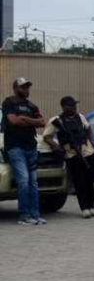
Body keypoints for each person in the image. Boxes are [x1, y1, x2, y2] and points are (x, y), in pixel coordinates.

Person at [43, 96, 94, 219]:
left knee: (90, 181)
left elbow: (88, 130)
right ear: (63, 107)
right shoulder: (57, 120)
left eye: (74, 105)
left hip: (87, 152)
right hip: (72, 155)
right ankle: (84, 208)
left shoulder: (80, 117)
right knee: (79, 182)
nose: (74, 108)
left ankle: (90, 206)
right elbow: (47, 136)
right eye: (71, 106)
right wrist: (57, 147)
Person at [1, 78, 46, 225]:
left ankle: (35, 215)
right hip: (15, 147)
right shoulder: (8, 102)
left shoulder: (32, 105)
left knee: (33, 182)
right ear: (15, 88)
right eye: (23, 87)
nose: (26, 90)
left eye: (27, 87)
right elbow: (14, 121)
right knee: (24, 180)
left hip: (31, 147)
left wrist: (25, 118)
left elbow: (42, 122)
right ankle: (24, 216)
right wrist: (30, 121)